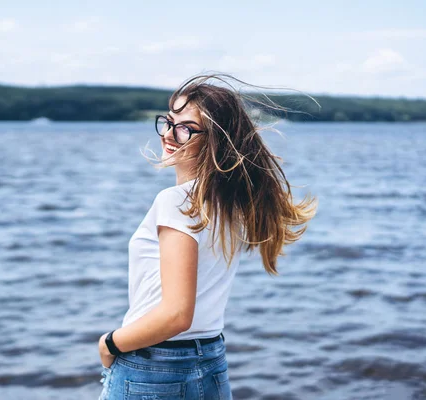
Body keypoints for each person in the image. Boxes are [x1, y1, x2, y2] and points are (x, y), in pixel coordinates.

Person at [97, 73, 318, 400]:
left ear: (216, 138)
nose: (170, 135)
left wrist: (111, 343)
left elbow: (176, 315)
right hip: (210, 359)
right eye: (168, 122)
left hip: (154, 365)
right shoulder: (231, 205)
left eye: (185, 128)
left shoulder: (176, 202)